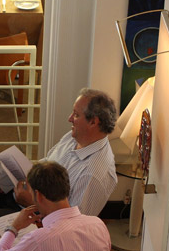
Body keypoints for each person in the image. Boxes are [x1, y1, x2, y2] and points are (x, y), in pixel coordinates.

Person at [11, 88, 118, 217]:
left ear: (93, 122)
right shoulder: (74, 136)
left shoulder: (93, 175)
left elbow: (72, 225)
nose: (70, 119)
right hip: (28, 196)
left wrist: (32, 203)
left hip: (38, 220)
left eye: (76, 115)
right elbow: (47, 162)